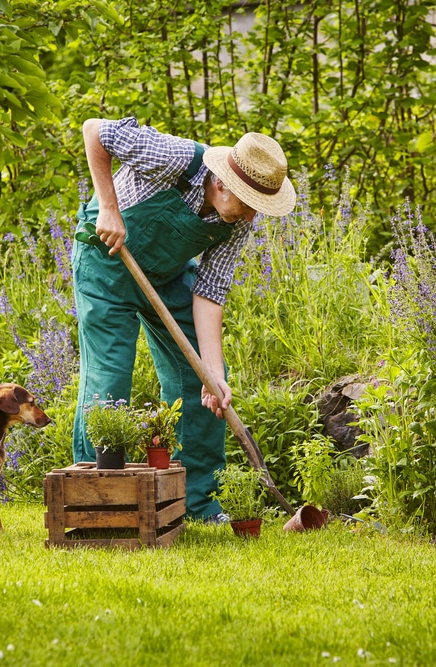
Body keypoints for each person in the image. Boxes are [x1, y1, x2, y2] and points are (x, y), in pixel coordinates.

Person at [71, 117, 296, 522]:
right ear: (223, 184)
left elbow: (210, 292)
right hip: (105, 263)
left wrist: (212, 372)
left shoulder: (237, 223)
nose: (249, 218)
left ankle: (195, 501)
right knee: (110, 382)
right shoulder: (175, 157)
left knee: (207, 382)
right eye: (247, 205)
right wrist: (108, 208)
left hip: (166, 274)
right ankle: (96, 499)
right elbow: (94, 131)